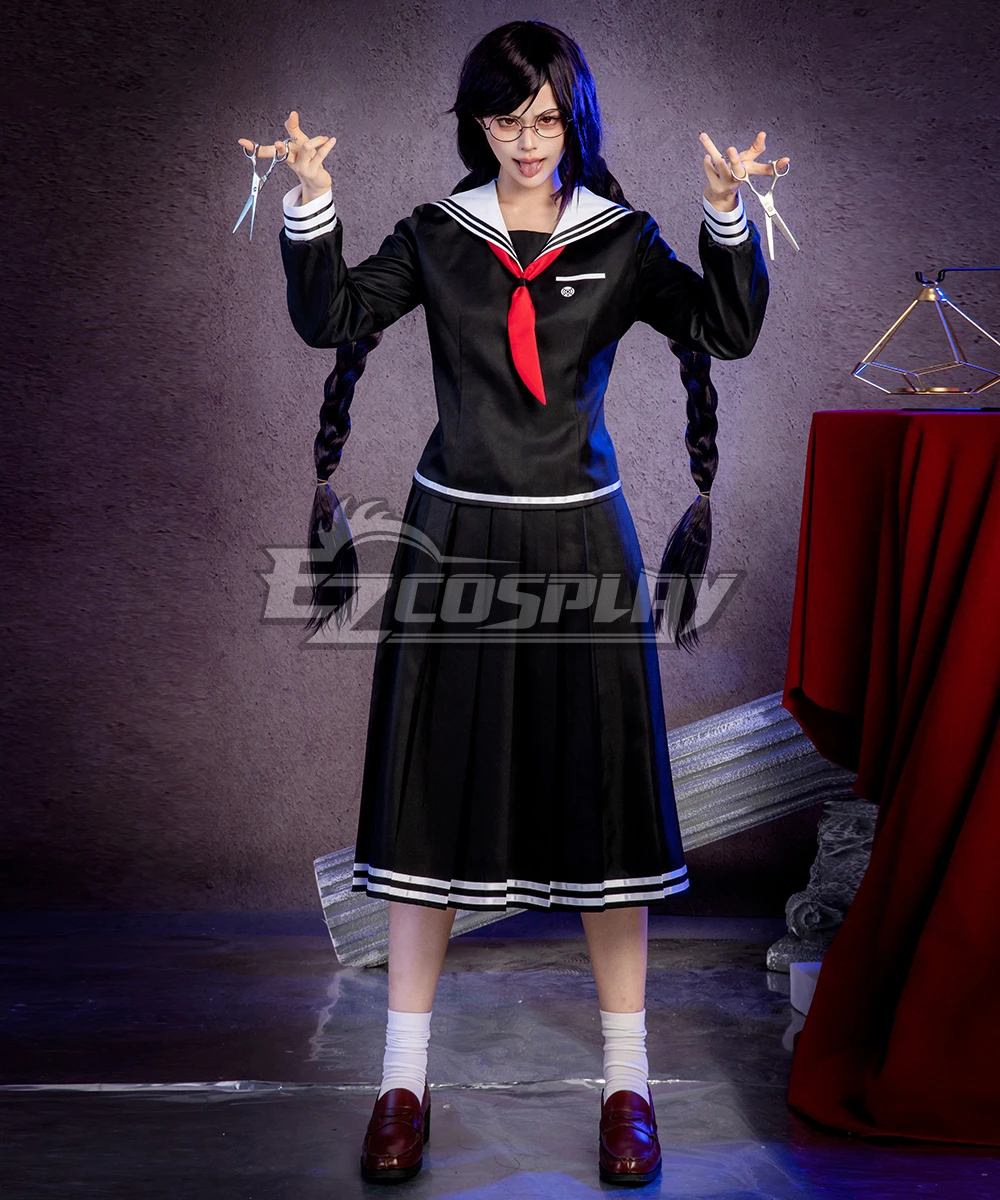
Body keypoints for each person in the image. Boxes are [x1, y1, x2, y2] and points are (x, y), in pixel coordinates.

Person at [240, 18, 777, 1186]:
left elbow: (724, 329)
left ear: (573, 120)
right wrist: (312, 198)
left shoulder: (621, 238)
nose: (526, 142)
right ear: (474, 123)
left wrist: (725, 213)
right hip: (453, 542)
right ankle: (400, 1083)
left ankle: (627, 1086)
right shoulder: (438, 234)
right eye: (503, 119)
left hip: (584, 541)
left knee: (607, 819)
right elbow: (331, 317)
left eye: (544, 120)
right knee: (428, 813)